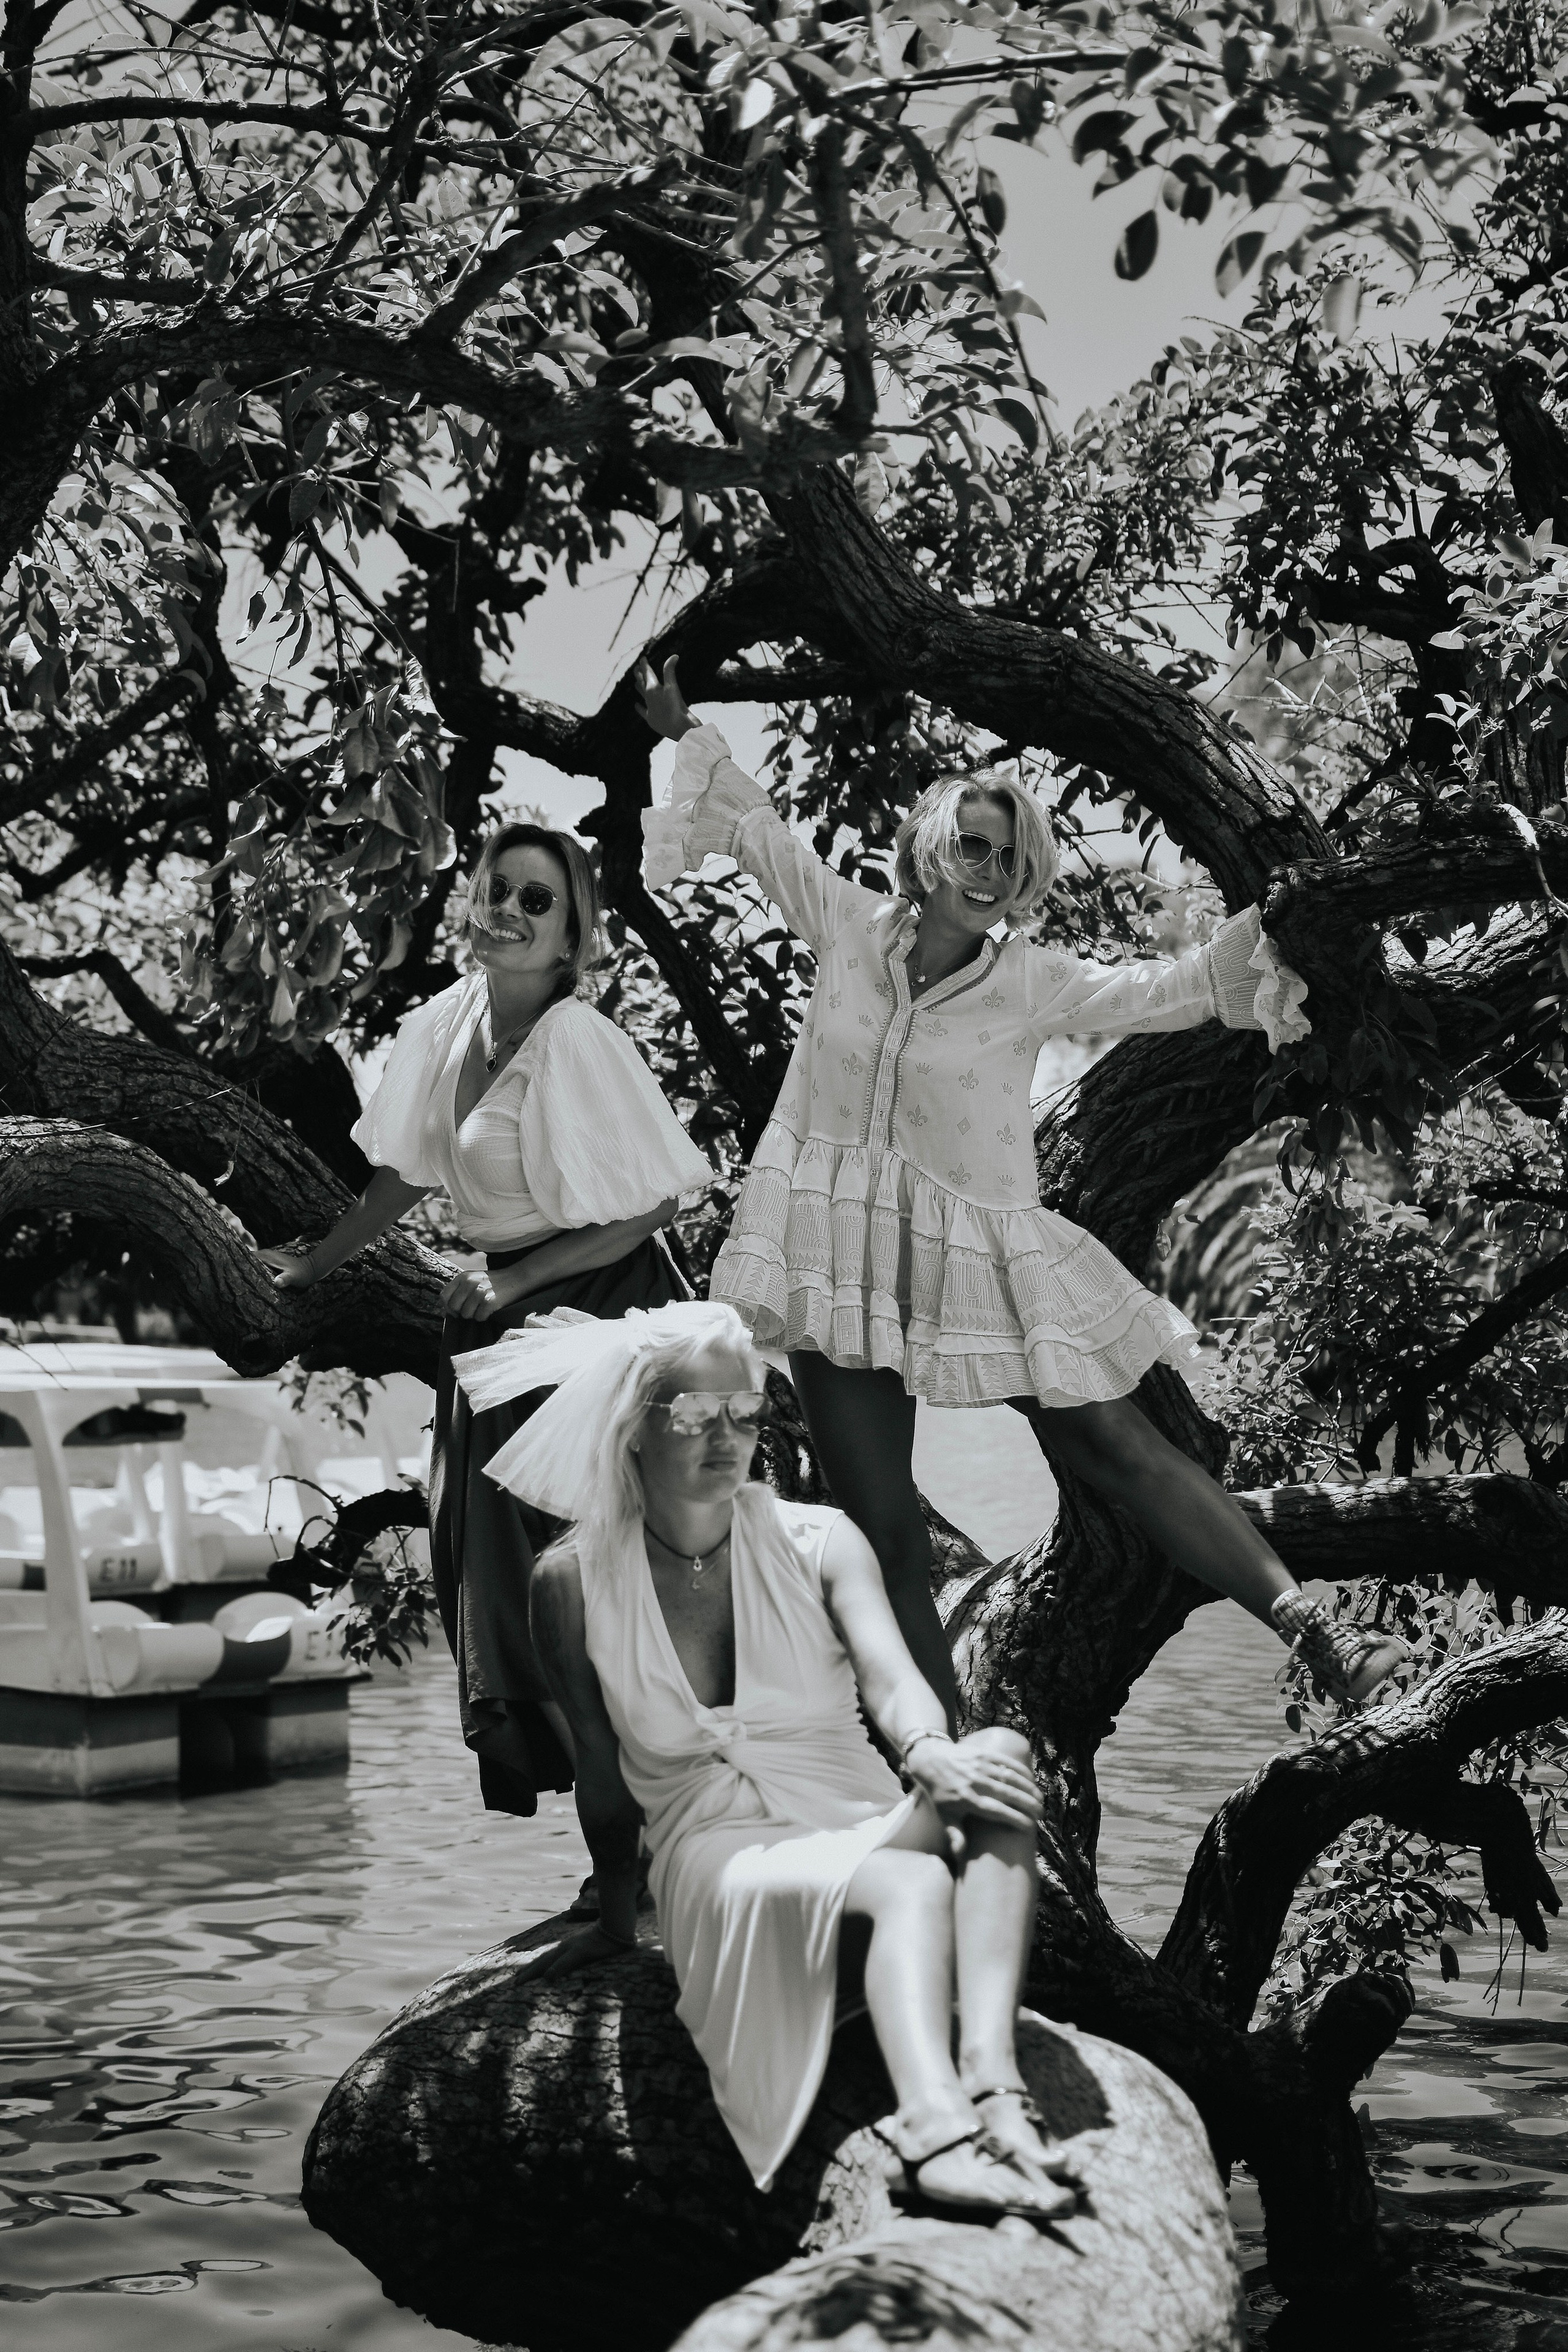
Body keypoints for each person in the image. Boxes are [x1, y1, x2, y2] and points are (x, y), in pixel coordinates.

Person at [637, 662, 1408, 1714]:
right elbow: (759, 829)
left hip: (977, 1251)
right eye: (973, 846)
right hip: (834, 1259)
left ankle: (1320, 1635)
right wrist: (679, 728)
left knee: (1113, 1443)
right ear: (930, 849)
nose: (991, 869)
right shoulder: (850, 927)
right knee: (884, 1527)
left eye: (1010, 855)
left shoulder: (1032, 980)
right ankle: (941, 1762)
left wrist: (1293, 918)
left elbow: (1168, 990)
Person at [455, 1298, 1087, 2217]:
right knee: (908, 1886)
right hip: (715, 1848)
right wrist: (616, 1917)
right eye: (694, 1418)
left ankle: (995, 2084)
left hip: (852, 1811)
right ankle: (936, 2131)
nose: (727, 1440)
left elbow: (893, 1677)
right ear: (632, 1429)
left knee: (997, 1749)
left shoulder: (821, 1541)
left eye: (743, 1415)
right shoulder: (570, 1580)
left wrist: (928, 1752)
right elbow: (599, 1765)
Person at [260, 820, 713, 1815]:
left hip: (588, 1304)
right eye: (498, 889)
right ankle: (614, 1835)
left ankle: (649, 1824)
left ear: (571, 940)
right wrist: (315, 1263)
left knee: (578, 1576)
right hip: (498, 1315)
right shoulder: (455, 1019)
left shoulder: (579, 1041)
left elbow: (658, 1205)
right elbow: (405, 1172)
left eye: (537, 901)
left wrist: (516, 1282)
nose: (509, 911)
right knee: (493, 1572)